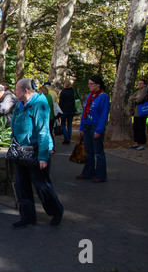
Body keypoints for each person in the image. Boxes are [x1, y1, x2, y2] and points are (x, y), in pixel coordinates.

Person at [10, 78, 64, 228]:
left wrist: (43, 156)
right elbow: (14, 125)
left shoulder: (39, 104)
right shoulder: (19, 105)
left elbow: (43, 132)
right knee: (22, 186)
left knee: (42, 186)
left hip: (35, 151)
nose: (15, 92)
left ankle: (57, 211)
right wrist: (13, 142)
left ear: (26, 91)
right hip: (20, 151)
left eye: (17, 90)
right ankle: (27, 217)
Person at [77, 75, 110, 183]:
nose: (89, 86)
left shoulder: (103, 97)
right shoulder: (89, 96)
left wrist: (99, 130)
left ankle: (101, 175)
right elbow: (84, 113)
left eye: (91, 84)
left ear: (98, 84)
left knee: (98, 152)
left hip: (95, 126)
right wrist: (81, 127)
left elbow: (104, 115)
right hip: (87, 125)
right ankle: (88, 172)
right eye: (89, 84)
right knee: (88, 151)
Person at [128, 79, 148, 150]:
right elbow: (130, 98)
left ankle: (142, 144)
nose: (139, 85)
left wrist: (136, 98)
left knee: (141, 128)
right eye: (138, 83)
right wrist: (136, 97)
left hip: (142, 112)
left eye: (141, 83)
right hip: (136, 112)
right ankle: (136, 142)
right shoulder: (138, 91)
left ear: (145, 84)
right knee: (136, 127)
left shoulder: (145, 91)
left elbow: (139, 100)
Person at [39, 86, 55, 152]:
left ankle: (48, 147)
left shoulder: (41, 98)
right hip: (51, 116)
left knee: (45, 131)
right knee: (50, 131)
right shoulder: (50, 96)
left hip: (44, 116)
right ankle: (52, 146)